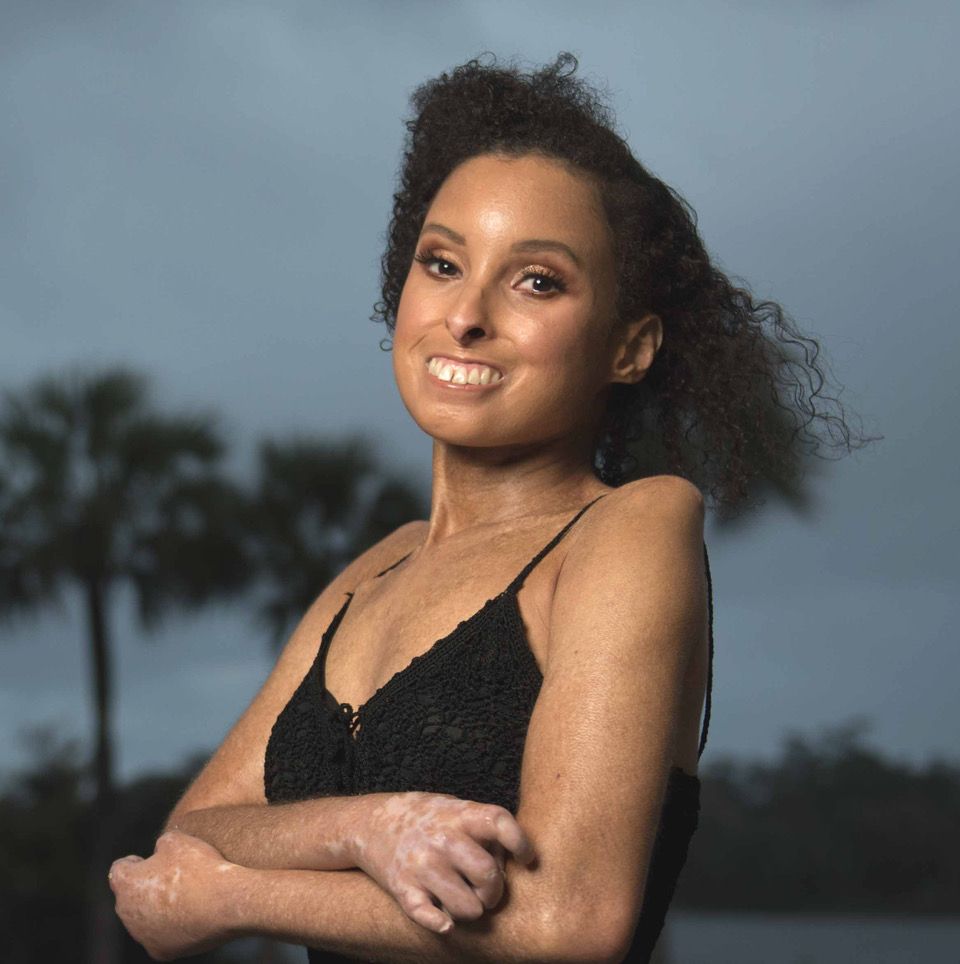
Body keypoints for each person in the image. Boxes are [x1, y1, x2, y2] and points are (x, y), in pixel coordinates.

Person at [108, 52, 866, 963]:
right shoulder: (374, 571)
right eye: (442, 263)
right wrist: (365, 829)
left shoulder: (632, 527)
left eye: (536, 280)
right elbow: (190, 834)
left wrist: (235, 897)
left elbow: (570, 922)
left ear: (629, 348)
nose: (465, 315)